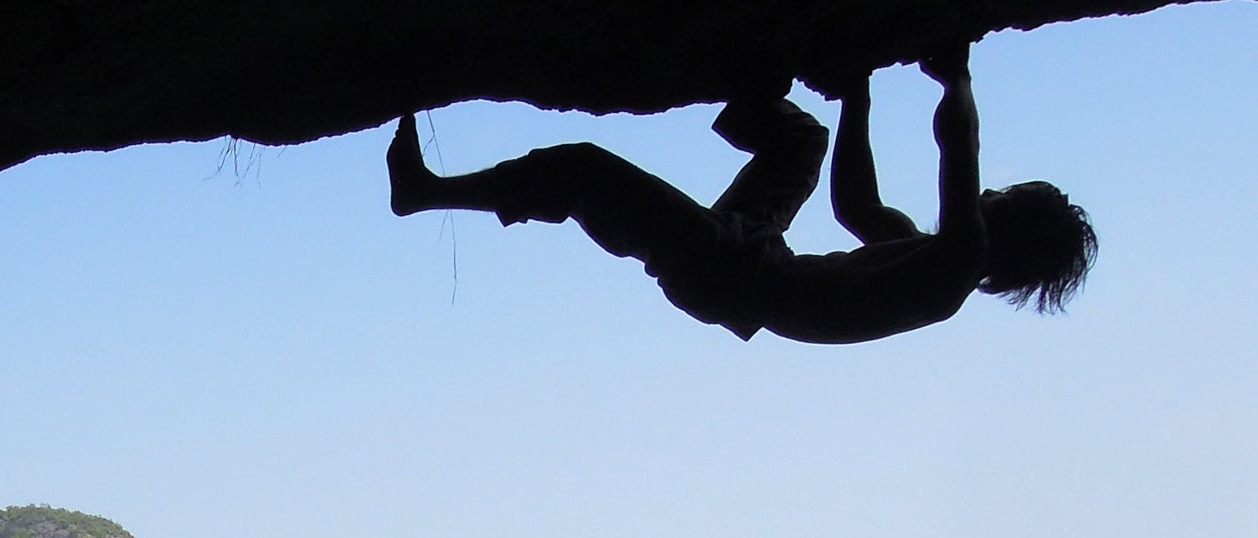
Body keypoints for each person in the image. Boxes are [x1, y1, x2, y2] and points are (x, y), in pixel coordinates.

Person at [386, 45, 1095, 345]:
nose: (990, 192)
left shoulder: (954, 265)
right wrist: (857, 94)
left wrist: (957, 76)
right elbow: (855, 205)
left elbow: (959, 150)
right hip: (752, 258)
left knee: (582, 170)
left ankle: (425, 191)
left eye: (1004, 198)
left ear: (1009, 231)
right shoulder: (931, 260)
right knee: (802, 142)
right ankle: (741, 67)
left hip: (731, 272)